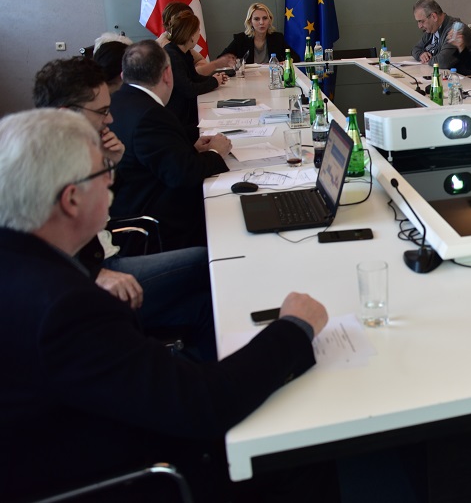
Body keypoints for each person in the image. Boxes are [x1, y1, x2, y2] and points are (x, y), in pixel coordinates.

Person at [0, 108, 330, 501]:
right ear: (71, 199)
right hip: (132, 473)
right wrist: (294, 327)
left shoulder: (21, 262)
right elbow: (204, 405)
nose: (112, 180)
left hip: (78, 431)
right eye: (103, 172)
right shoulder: (66, 309)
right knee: (296, 446)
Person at [33, 57, 216, 361]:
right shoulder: (40, 165)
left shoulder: (79, 150)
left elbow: (101, 213)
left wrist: (111, 164)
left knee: (206, 285)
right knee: (208, 265)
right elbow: (34, 254)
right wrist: (95, 274)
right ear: (67, 114)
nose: (109, 120)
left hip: (106, 255)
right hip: (98, 273)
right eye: (101, 111)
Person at [110, 40, 232, 252]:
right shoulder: (151, 115)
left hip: (129, 205)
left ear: (124, 75)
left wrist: (191, 149)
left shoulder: (118, 101)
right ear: (167, 74)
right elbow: (183, 175)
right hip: (157, 226)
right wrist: (216, 152)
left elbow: (157, 157)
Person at [164, 9, 226, 142]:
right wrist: (214, 82)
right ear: (191, 35)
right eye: (198, 31)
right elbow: (188, 89)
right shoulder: (172, 56)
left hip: (187, 112)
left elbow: (194, 77)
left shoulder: (184, 52)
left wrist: (214, 79)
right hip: (180, 119)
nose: (199, 34)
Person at [157, 1, 235, 75]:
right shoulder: (165, 49)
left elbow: (200, 62)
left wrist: (198, 71)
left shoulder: (183, 46)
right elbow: (185, 80)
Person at [216, 1, 300, 65]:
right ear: (250, 22)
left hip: (272, 76)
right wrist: (233, 62)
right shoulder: (240, 39)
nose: (261, 22)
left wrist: (287, 61)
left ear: (270, 20)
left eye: (265, 18)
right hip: (248, 79)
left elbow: (295, 57)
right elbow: (220, 59)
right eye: (256, 19)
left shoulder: (277, 38)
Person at [410, 0, 471, 70]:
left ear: (434, 17)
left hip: (469, 75)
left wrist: (428, 60)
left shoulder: (455, 30)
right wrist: (421, 54)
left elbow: (443, 61)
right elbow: (415, 49)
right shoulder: (431, 29)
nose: (419, 26)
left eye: (421, 21)